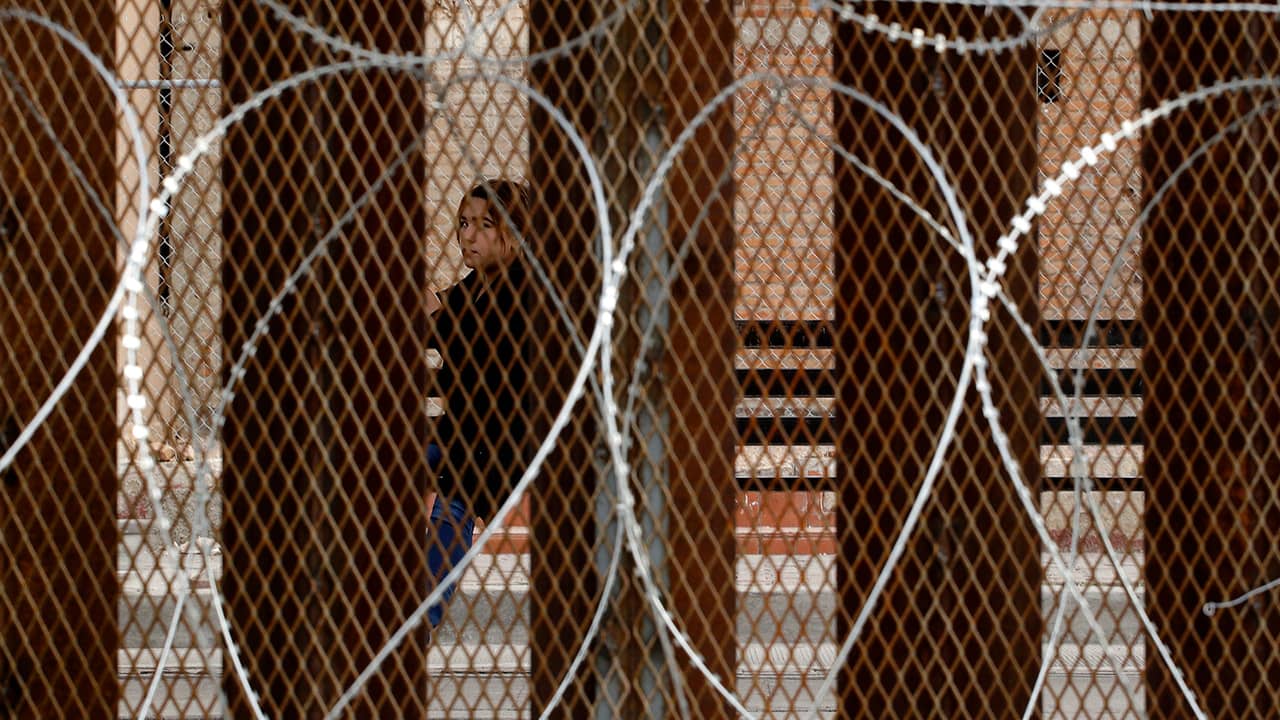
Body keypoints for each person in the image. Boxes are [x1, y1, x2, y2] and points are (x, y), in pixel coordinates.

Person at [426, 178, 532, 628]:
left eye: (484, 225)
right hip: (466, 438)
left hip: (503, 447)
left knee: (452, 489)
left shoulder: (525, 295)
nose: (467, 235)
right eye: (464, 223)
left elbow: (476, 356)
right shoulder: (475, 290)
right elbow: (437, 315)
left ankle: (416, 620)